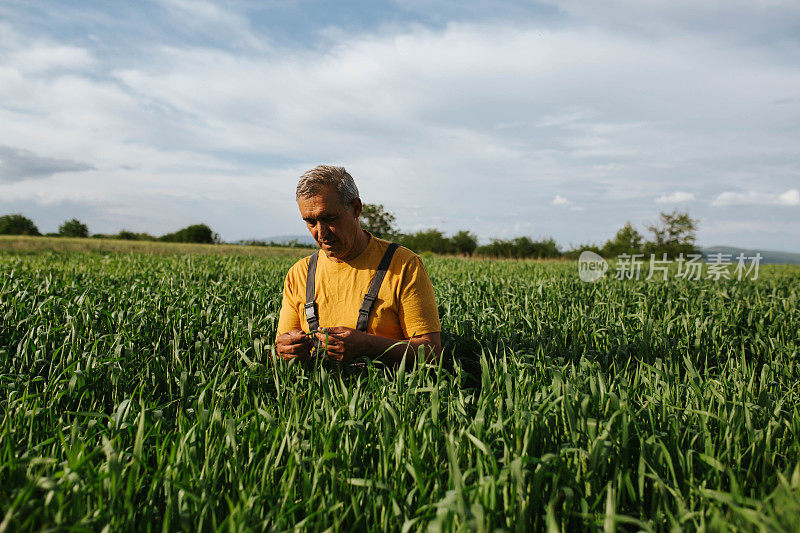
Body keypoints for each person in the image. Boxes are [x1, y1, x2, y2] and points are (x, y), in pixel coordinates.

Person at [275, 165, 441, 367]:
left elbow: (431, 353)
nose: (321, 232)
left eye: (329, 218)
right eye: (310, 222)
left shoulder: (403, 265)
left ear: (356, 208)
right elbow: (283, 343)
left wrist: (368, 345)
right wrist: (286, 349)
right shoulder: (299, 273)